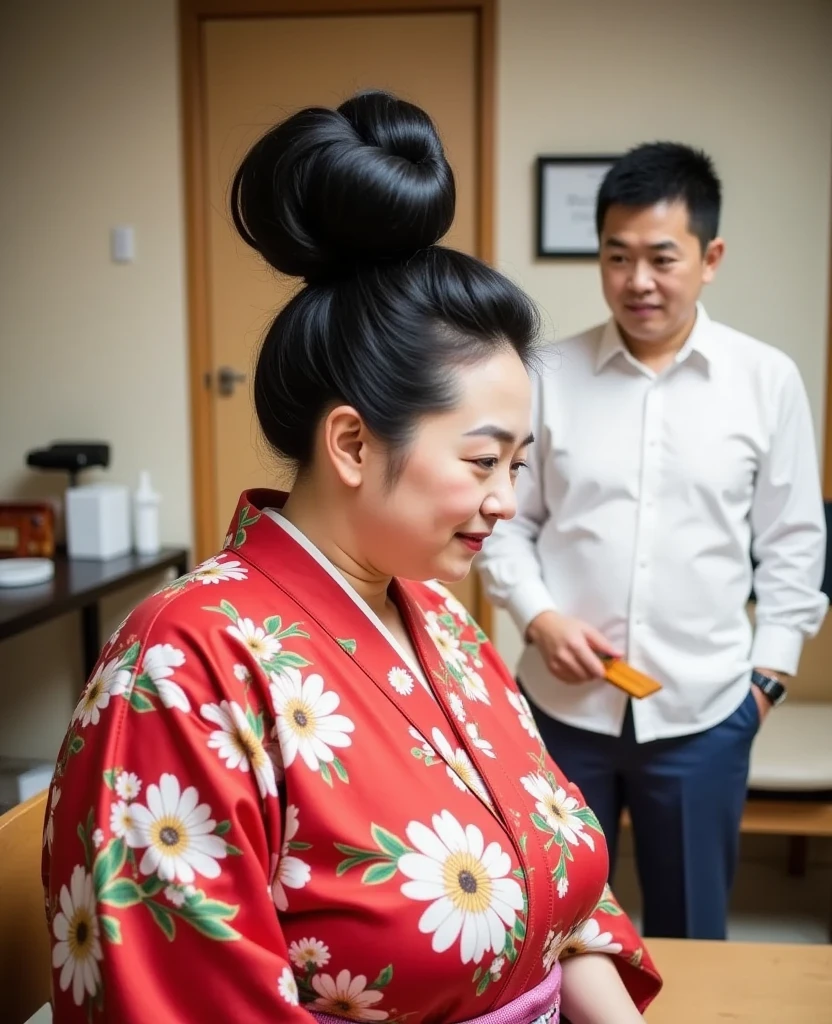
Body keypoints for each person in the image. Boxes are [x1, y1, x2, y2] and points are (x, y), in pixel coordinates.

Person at [41, 93, 661, 1023]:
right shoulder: (182, 665)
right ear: (352, 443)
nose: (507, 499)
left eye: (519, 466)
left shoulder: (441, 619)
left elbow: (563, 896)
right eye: (483, 461)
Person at [478, 141, 829, 941]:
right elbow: (505, 521)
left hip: (706, 712)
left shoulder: (765, 379)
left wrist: (765, 683)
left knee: (693, 928)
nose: (638, 281)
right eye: (617, 256)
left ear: (710, 257)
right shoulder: (545, 374)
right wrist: (539, 617)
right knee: (554, 923)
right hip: (560, 709)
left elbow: (794, 542)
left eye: (661, 258)